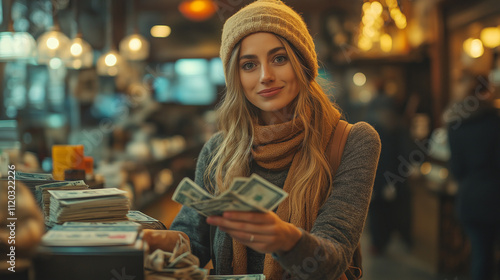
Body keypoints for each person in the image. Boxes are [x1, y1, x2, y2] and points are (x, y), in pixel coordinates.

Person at [168, 1, 381, 279]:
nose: (265, 76)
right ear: (237, 77)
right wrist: (154, 241)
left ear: (302, 63)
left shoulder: (353, 141)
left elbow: (334, 257)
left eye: (279, 59)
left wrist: (286, 240)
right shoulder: (218, 150)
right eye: (249, 65)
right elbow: (194, 244)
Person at [446, 75, 500, 280]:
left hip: (469, 199)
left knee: (480, 256)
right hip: (495, 195)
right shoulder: (495, 121)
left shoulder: (455, 124)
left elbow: (457, 168)